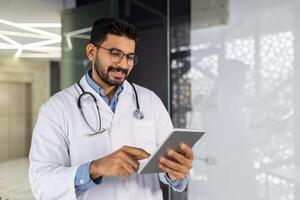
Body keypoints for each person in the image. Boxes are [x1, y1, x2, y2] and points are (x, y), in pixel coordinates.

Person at [29, 18, 194, 200]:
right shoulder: (56, 108)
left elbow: (167, 167)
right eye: (115, 53)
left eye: (130, 56)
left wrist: (175, 172)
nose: (124, 64)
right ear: (92, 52)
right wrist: (95, 168)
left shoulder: (150, 101)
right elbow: (41, 182)